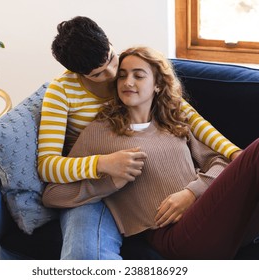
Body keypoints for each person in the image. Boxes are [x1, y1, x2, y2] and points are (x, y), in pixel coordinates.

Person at [42, 46, 259, 260]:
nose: (127, 81)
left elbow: (219, 160)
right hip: (175, 236)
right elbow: (53, 194)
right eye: (122, 75)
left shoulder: (173, 120)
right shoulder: (100, 131)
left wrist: (192, 192)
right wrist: (107, 178)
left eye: (138, 75)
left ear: (157, 85)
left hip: (215, 216)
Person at [37, 16, 241, 259]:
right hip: (87, 177)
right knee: (85, 255)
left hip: (175, 206)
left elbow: (195, 123)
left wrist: (236, 154)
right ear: (79, 73)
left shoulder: (134, 77)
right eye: (99, 73)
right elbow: (47, 167)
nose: (114, 75)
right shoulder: (61, 94)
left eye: (112, 59)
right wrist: (103, 165)